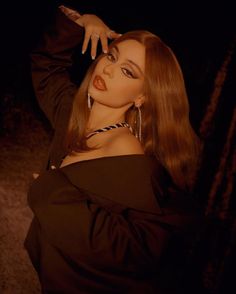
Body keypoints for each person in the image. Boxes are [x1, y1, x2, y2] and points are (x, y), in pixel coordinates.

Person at [24, 4, 202, 293]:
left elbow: (134, 251)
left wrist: (49, 191)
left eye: (127, 72)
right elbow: (46, 67)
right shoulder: (76, 113)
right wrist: (81, 23)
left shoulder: (130, 158)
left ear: (143, 97)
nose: (108, 68)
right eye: (111, 55)